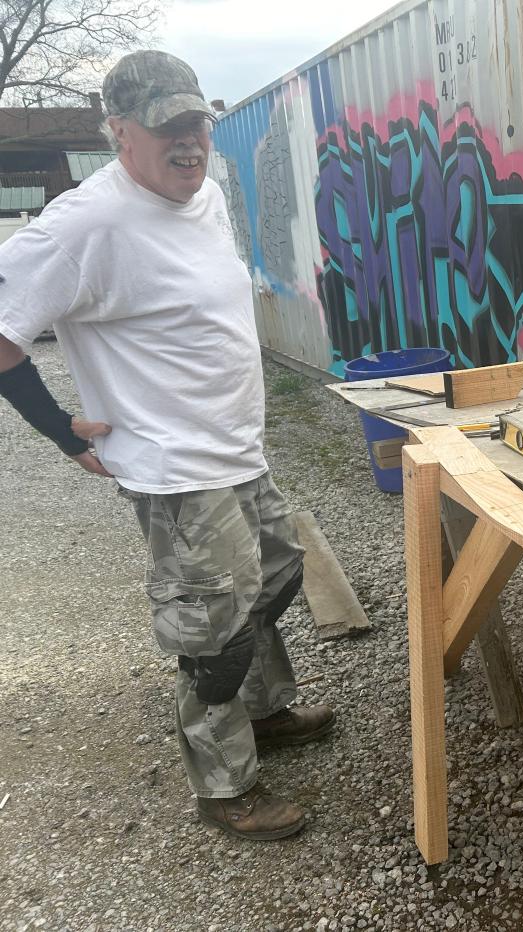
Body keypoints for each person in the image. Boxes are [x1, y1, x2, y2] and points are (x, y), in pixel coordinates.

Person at [0, 51, 333, 841]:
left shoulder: (207, 195)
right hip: (175, 468)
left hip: (235, 448)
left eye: (196, 125)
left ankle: (262, 712)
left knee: (275, 575)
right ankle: (224, 787)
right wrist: (56, 428)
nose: (188, 144)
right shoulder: (84, 225)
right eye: (165, 129)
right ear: (117, 131)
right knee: (214, 627)